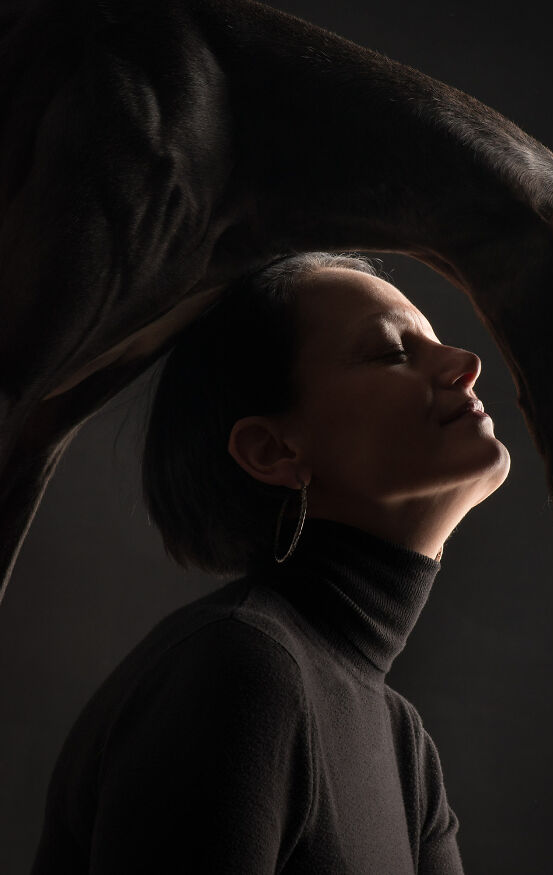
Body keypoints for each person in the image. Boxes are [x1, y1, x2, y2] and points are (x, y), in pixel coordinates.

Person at [30, 252, 510, 874]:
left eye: (436, 343)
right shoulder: (241, 670)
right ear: (272, 450)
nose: (466, 364)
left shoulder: (403, 745)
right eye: (393, 351)